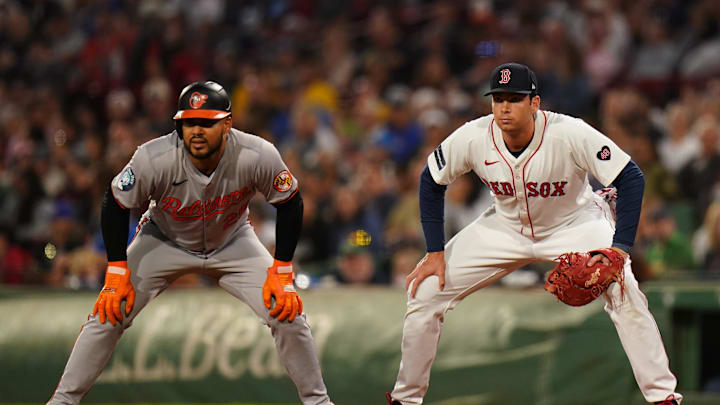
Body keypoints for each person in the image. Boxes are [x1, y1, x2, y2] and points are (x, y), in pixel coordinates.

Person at [385, 63, 681, 405]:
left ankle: (663, 397)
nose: (505, 107)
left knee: (623, 286)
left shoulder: (569, 132)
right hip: (504, 228)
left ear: (535, 103)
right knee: (424, 292)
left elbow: (630, 177)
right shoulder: (474, 136)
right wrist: (435, 251)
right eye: (498, 99)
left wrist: (620, 250)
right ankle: (406, 399)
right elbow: (430, 179)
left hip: (575, 223)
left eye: (514, 98)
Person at [47, 81, 334, 405]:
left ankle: (318, 402)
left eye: (206, 122)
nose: (196, 131)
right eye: (188, 122)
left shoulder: (257, 153)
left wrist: (281, 269)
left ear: (227, 124)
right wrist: (116, 271)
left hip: (233, 240)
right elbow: (115, 203)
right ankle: (62, 401)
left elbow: (290, 202)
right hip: (163, 240)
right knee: (109, 310)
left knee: (287, 311)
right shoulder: (153, 156)